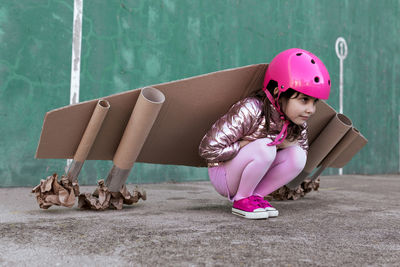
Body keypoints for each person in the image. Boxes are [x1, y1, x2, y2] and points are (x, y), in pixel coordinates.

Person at [198, 48, 331, 219]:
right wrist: (244, 145)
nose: (311, 110)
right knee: (265, 146)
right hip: (224, 174)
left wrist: (287, 144)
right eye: (304, 100)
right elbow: (207, 149)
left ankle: (255, 197)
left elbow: (298, 155)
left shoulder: (298, 123)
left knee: (298, 156)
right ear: (278, 92)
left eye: (315, 103)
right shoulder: (251, 109)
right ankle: (242, 199)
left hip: (255, 174)